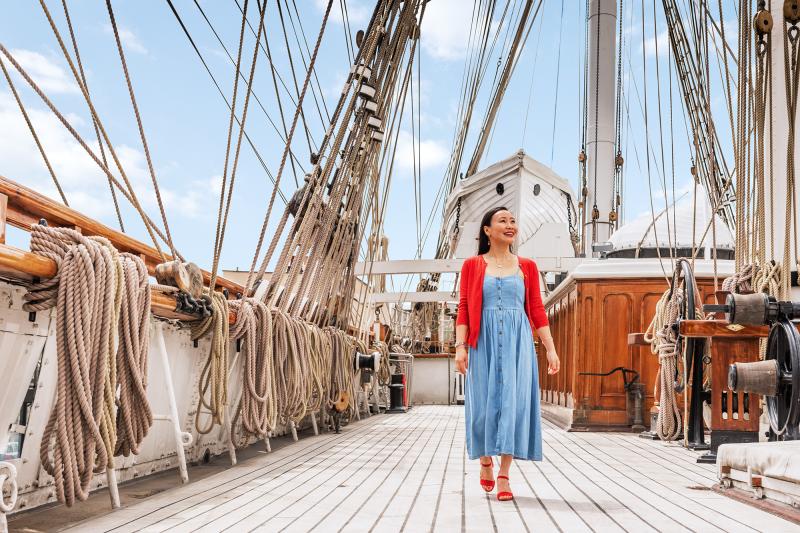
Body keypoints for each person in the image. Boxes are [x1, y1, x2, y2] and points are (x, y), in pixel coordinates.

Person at [454, 206, 560, 502]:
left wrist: (551, 349)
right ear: (488, 230)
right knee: (483, 407)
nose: (510, 224)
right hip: (482, 342)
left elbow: (537, 310)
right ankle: (485, 459)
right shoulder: (472, 266)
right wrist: (460, 347)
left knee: (514, 405)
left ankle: (504, 473)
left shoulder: (527, 266)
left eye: (513, 220)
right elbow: (463, 308)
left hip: (518, 343)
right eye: (503, 221)